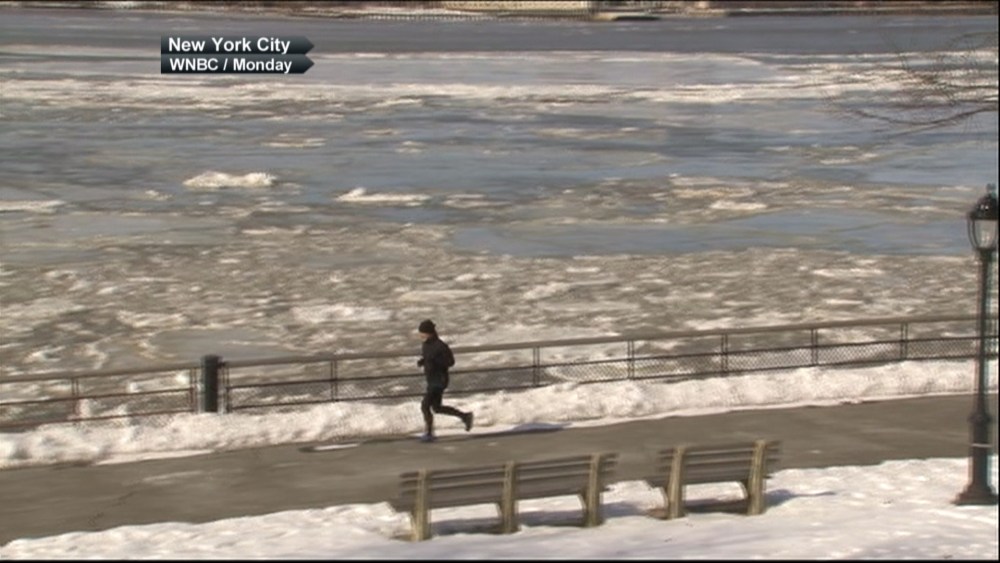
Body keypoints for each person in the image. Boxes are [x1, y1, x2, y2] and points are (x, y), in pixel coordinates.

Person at [416, 319, 473, 442]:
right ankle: (465, 416)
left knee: (425, 406)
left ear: (429, 333)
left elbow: (450, 362)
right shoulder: (426, 345)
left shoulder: (441, 346)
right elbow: (428, 357)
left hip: (439, 380)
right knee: (437, 408)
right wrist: (423, 361)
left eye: (422, 332)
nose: (420, 335)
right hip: (431, 380)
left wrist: (435, 362)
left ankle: (429, 433)